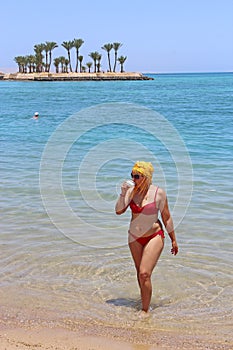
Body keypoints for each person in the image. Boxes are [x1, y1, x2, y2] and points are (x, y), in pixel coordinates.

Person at [115, 161, 178, 315]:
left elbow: (167, 218)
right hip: (134, 237)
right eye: (132, 176)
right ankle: (144, 301)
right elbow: (119, 211)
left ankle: (144, 312)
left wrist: (173, 239)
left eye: (137, 176)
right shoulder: (131, 192)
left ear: (146, 177)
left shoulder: (159, 193)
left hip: (154, 236)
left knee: (144, 273)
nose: (133, 179)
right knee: (140, 273)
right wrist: (123, 193)